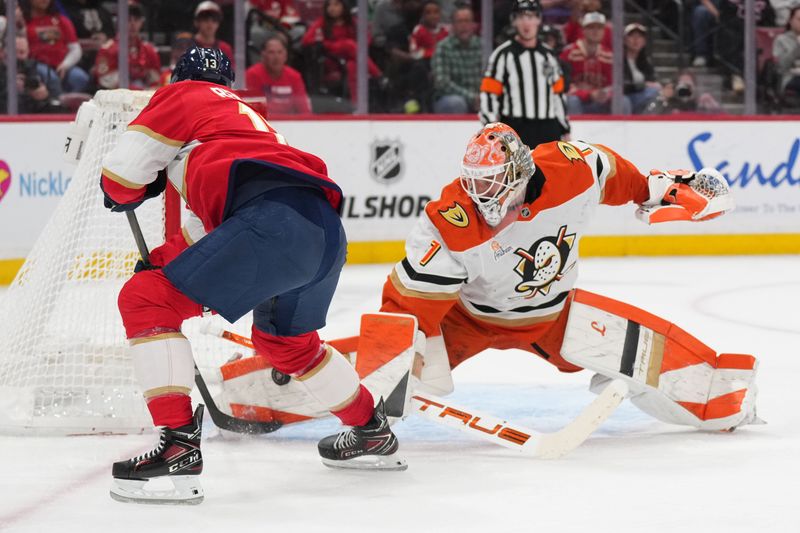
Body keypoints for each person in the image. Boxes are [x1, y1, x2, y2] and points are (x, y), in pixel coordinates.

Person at [100, 46, 405, 505]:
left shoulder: (182, 95)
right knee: (285, 344)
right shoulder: (243, 124)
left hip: (272, 225)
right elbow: (212, 232)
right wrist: (165, 257)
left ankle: (179, 447)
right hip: (323, 231)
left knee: (145, 300)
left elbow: (118, 178)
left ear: (178, 79)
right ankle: (370, 429)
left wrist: (133, 187)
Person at [377, 122, 758, 438]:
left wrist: (659, 189)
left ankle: (724, 400)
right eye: (475, 183)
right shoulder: (450, 221)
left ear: (518, 172)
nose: (482, 196)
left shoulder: (571, 169)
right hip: (465, 321)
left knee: (652, 359)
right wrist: (395, 368)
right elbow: (407, 306)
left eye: (492, 183)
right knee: (376, 375)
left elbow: (612, 173)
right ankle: (326, 392)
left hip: (553, 318)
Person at [480, 0, 569, 148]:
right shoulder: (502, 55)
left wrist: (565, 129)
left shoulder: (549, 56)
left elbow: (558, 95)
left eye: (531, 16)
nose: (526, 22)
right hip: (515, 128)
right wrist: (491, 129)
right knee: (515, 171)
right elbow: (489, 94)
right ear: (514, 21)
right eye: (521, 17)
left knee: (549, 171)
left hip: (549, 128)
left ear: (539, 20)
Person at [301, 0, 382, 103]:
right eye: (329, 5)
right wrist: (327, 44)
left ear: (343, 6)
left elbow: (367, 38)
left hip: (352, 58)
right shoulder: (322, 22)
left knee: (352, 66)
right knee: (349, 45)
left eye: (336, 4)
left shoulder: (352, 22)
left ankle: (357, 105)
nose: (332, 8)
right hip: (332, 58)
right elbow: (306, 40)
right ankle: (377, 74)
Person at [561, 11, 630, 114]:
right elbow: (562, 85)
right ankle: (573, 129)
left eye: (599, 28)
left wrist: (605, 94)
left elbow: (615, 85)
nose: (596, 31)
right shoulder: (568, 53)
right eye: (591, 27)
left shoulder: (609, 56)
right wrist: (588, 94)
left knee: (622, 101)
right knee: (572, 101)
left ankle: (620, 129)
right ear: (583, 30)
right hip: (579, 100)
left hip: (600, 101)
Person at [23, 0, 90, 92]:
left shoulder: (61, 20)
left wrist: (65, 65)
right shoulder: (24, 22)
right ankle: (56, 104)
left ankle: (72, 105)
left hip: (62, 64)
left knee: (80, 77)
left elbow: (75, 49)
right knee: (51, 78)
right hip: (35, 65)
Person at [93, 1, 161, 90]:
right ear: (119, 22)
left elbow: (156, 82)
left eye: (136, 19)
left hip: (145, 98)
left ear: (141, 22)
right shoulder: (107, 50)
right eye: (128, 19)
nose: (132, 24)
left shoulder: (149, 50)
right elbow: (105, 83)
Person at [430, 5, 482, 113]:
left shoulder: (482, 46)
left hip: (480, 98)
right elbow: (442, 83)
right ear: (452, 25)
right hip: (449, 98)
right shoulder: (443, 47)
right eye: (460, 21)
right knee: (457, 103)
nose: (464, 25)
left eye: (467, 21)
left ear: (473, 25)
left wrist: (485, 97)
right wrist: (472, 97)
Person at [246, 35, 312, 114]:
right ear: (263, 55)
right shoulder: (252, 75)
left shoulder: (294, 77)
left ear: (285, 56)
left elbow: (304, 111)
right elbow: (252, 110)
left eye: (280, 52)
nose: (276, 57)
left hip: (289, 123)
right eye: (271, 52)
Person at [622, 23, 660, 114]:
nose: (636, 40)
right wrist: (644, 85)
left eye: (639, 37)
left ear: (644, 42)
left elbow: (653, 80)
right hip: (625, 97)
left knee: (660, 95)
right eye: (632, 36)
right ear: (625, 40)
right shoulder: (619, 61)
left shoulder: (646, 62)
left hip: (642, 97)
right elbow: (622, 86)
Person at [193, 1, 235, 67]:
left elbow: (231, 73)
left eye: (214, 19)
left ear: (218, 24)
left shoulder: (225, 49)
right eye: (205, 19)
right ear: (196, 22)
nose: (210, 24)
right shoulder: (187, 45)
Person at [772, 5, 800, 98]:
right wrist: (797, 47)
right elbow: (782, 66)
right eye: (799, 19)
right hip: (791, 78)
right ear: (790, 21)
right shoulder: (781, 40)